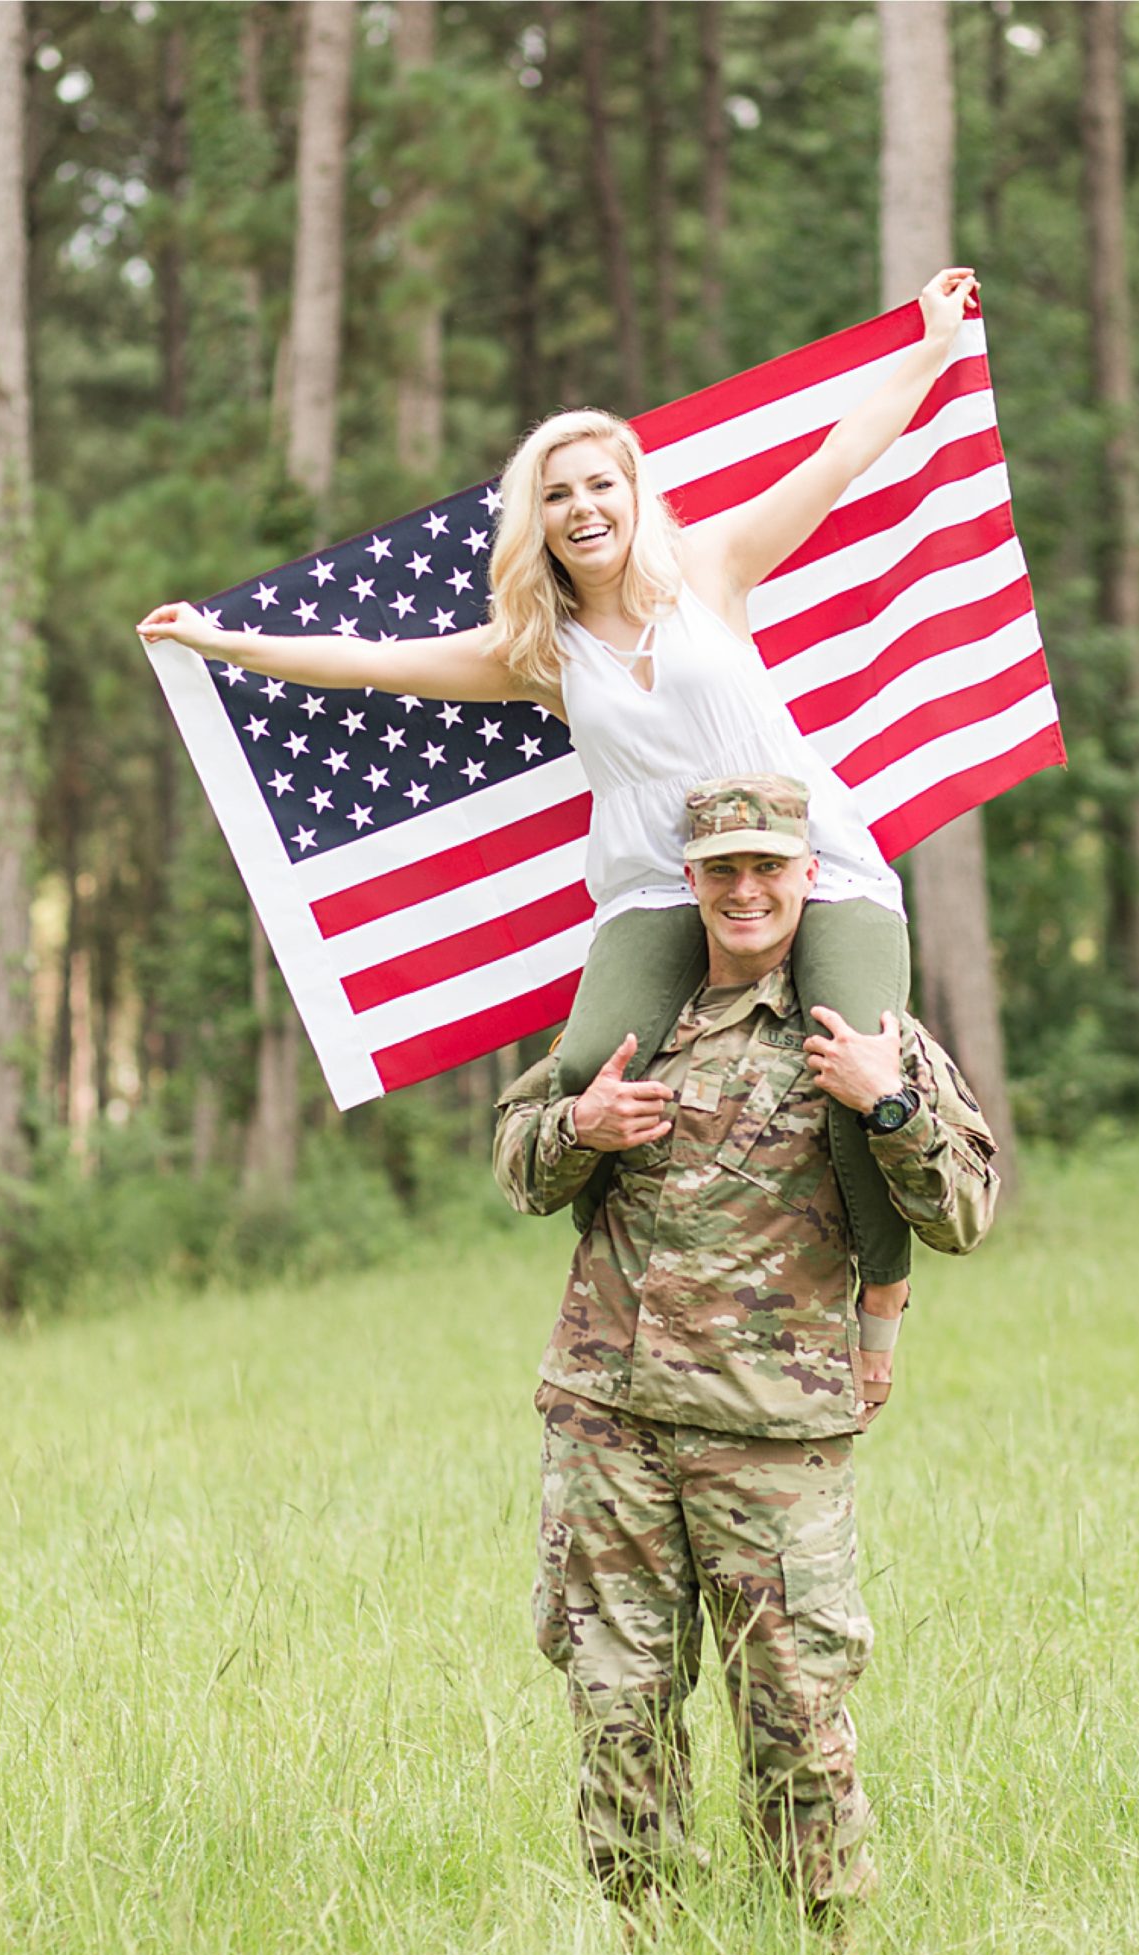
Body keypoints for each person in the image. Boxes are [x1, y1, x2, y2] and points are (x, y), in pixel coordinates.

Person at [136, 266, 980, 1380]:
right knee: (590, 1065)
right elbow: (375, 666)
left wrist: (926, 344)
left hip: (810, 859)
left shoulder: (714, 572)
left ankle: (879, 1303)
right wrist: (224, 641)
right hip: (655, 882)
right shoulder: (537, 652)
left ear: (635, 494)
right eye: (557, 493)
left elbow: (839, 451)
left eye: (600, 485)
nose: (583, 508)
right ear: (535, 518)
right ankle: (629, 1290)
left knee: (852, 1060)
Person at [491, 774, 999, 1913]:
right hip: (605, 1417)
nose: (747, 889)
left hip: (772, 1435)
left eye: (768, 866)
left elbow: (965, 1210)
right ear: (691, 880)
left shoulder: (863, 1032)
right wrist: (578, 1130)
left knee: (794, 1713)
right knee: (617, 1706)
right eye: (723, 868)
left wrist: (888, 1106)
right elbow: (518, 1161)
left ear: (808, 876)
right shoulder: (635, 1017)